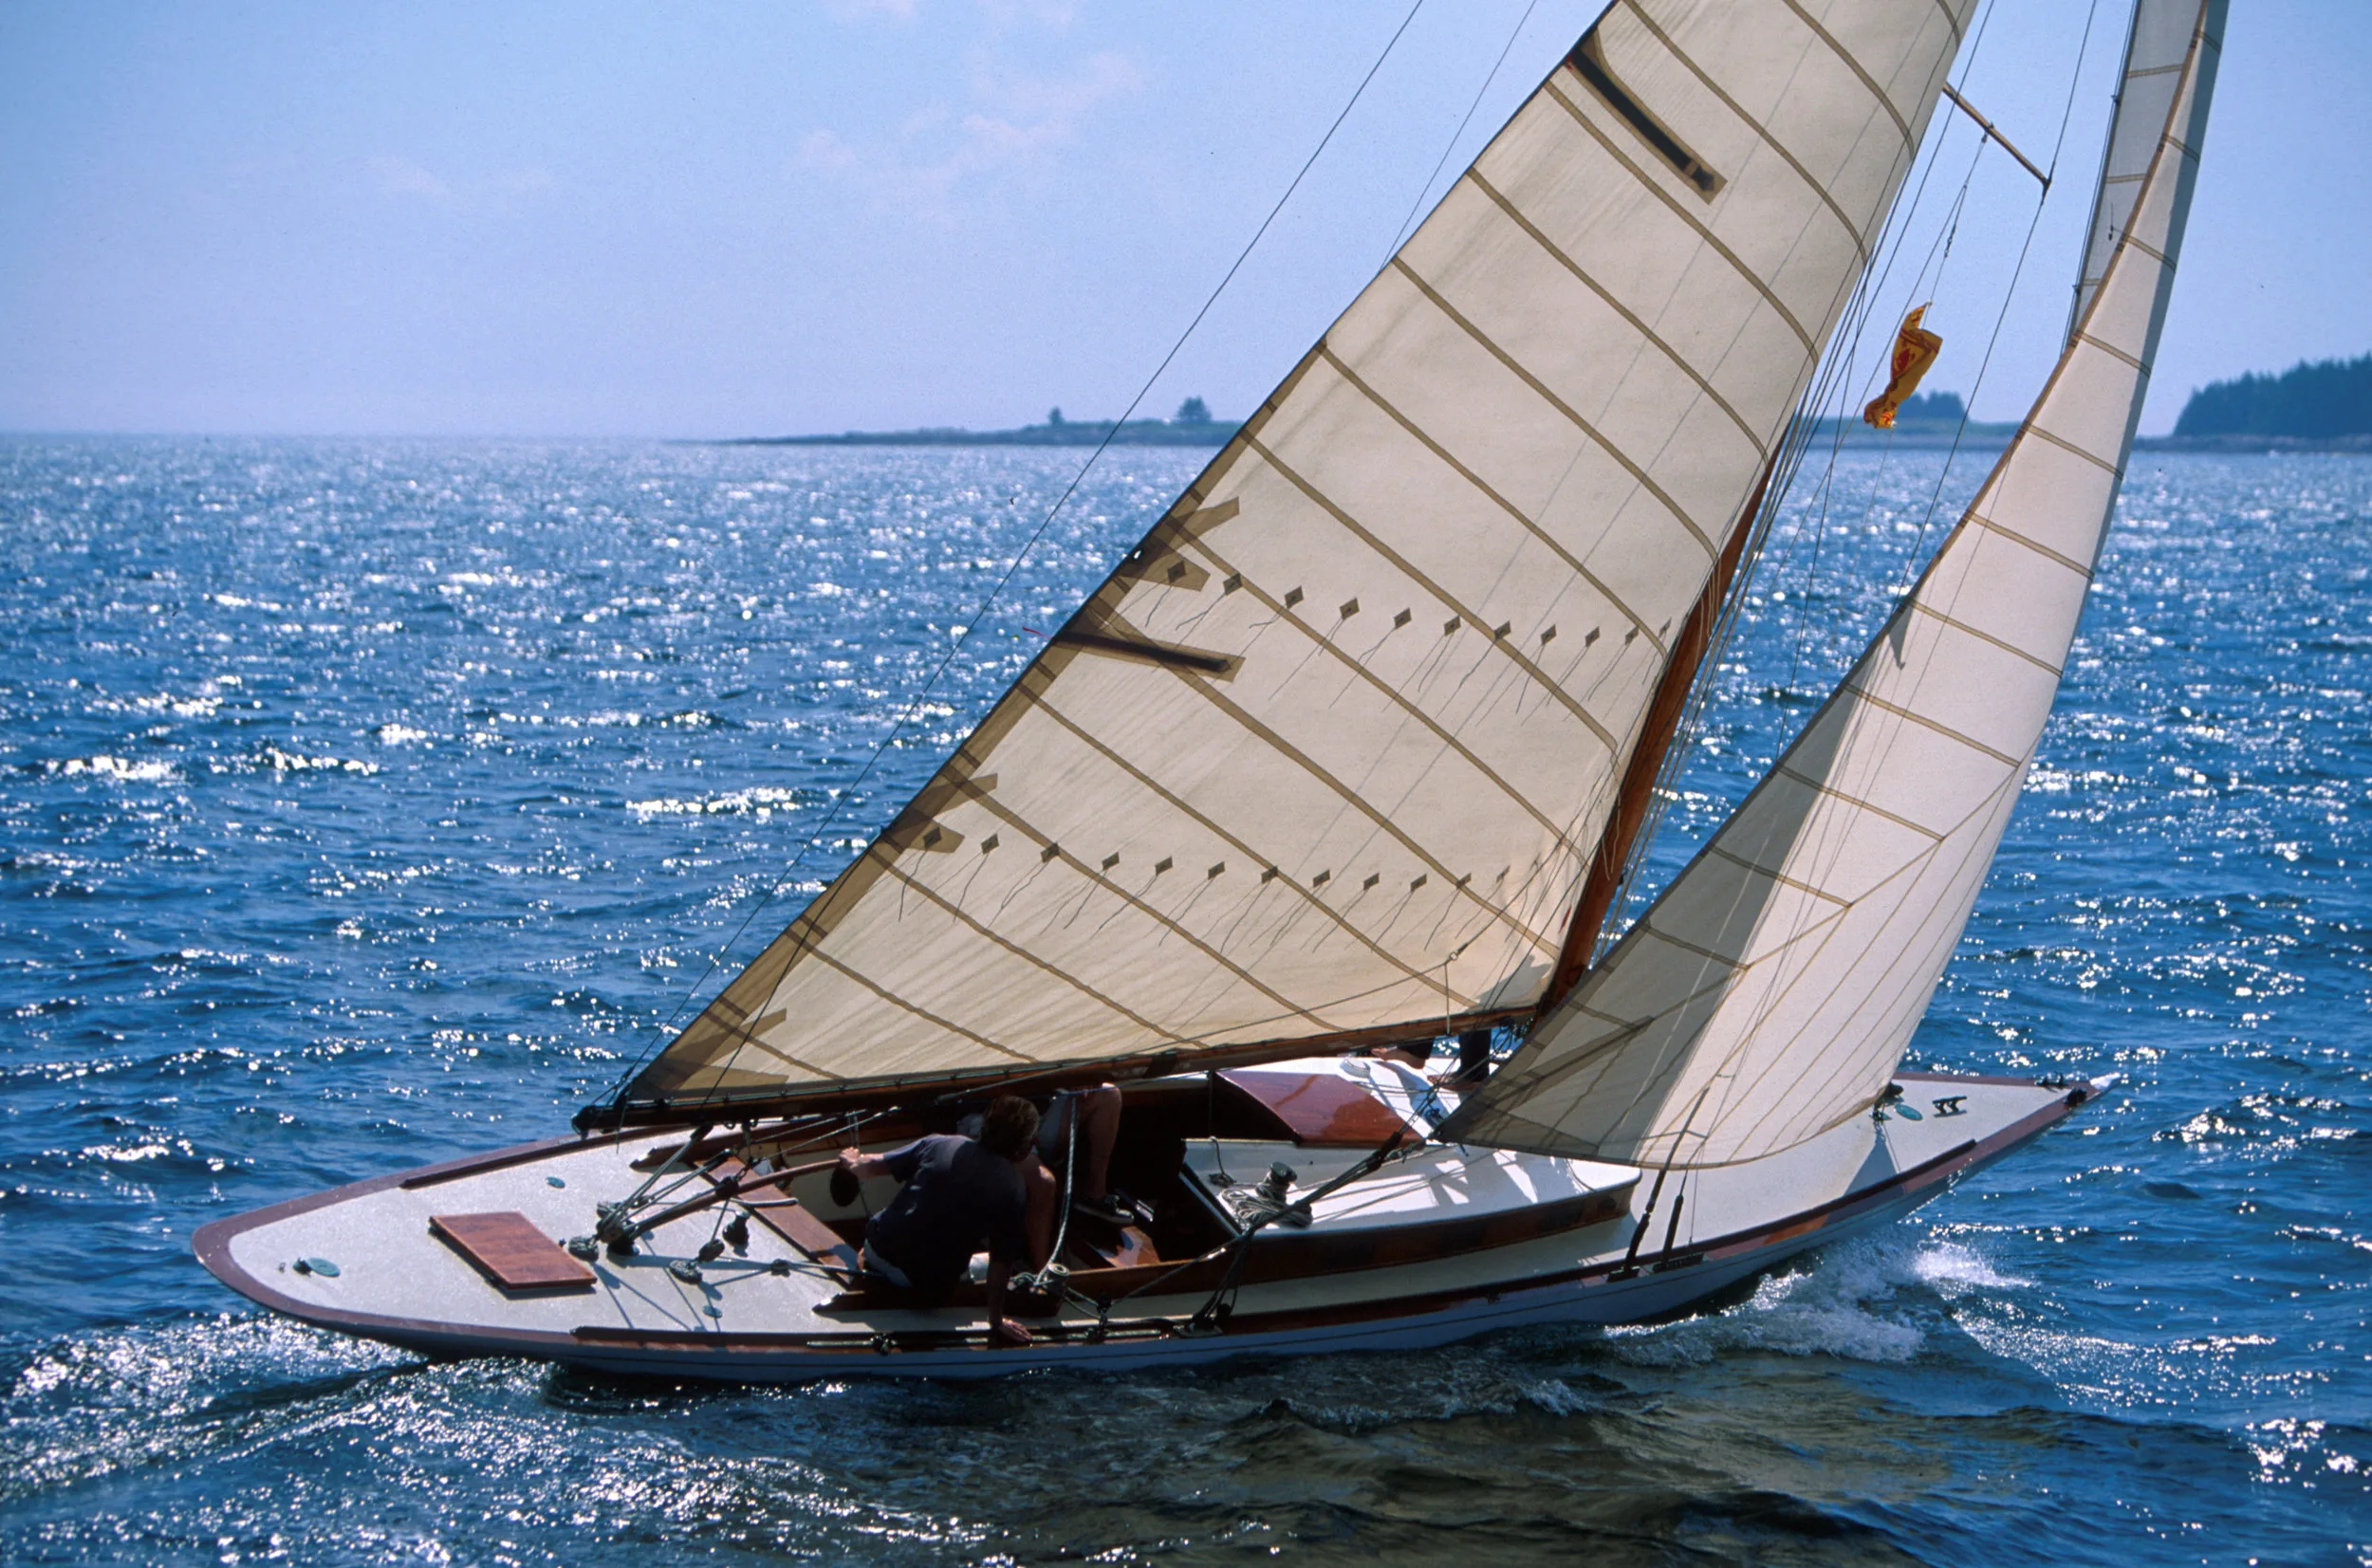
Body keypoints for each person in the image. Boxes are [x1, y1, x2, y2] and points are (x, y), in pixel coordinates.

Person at [836, 1095, 1040, 1346]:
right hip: (919, 1283)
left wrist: (852, 1160)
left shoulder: (940, 1143)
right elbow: (1001, 1264)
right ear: (1025, 1148)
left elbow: (868, 1168)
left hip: (875, 1251)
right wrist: (996, 1321)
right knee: (1008, 1264)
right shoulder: (1013, 1188)